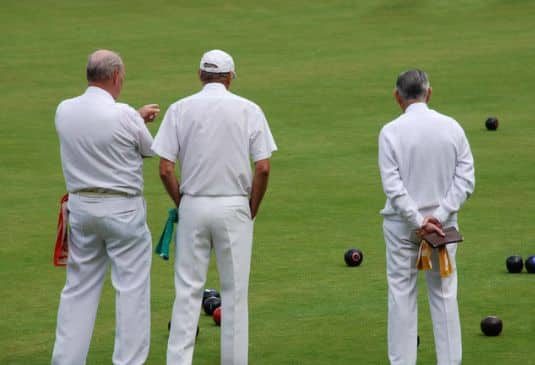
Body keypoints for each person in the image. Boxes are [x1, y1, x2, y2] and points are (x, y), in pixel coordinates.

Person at [151, 49, 277, 365]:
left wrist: (183, 202)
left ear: (200, 75)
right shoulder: (249, 109)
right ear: (230, 77)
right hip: (235, 206)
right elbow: (262, 167)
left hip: (193, 205)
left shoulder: (180, 109)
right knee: (235, 293)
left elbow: (165, 168)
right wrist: (253, 206)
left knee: (187, 291)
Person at [52, 49, 160, 365]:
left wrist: (133, 117)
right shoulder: (124, 114)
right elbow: (149, 149)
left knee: (78, 290)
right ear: (115, 77)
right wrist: (136, 118)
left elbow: (96, 130)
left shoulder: (64, 110)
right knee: (131, 290)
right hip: (123, 212)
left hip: (82, 210)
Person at [378, 69, 475, 365]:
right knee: (444, 293)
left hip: (403, 229)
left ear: (398, 97)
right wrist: (440, 215)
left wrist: (418, 220)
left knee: (401, 293)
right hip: (443, 229)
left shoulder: (390, 131)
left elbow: (393, 186)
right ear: (428, 93)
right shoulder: (452, 127)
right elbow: (466, 179)